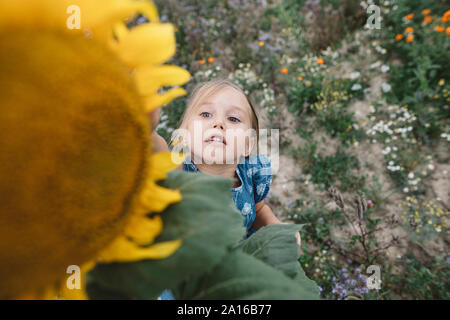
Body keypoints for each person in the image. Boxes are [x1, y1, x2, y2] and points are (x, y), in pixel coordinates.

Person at [153, 78, 301, 300]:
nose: (218, 124)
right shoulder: (179, 173)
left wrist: (275, 226)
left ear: (248, 144)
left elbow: (258, 209)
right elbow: (155, 148)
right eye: (205, 115)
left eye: (233, 118)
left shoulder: (250, 174)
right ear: (184, 137)